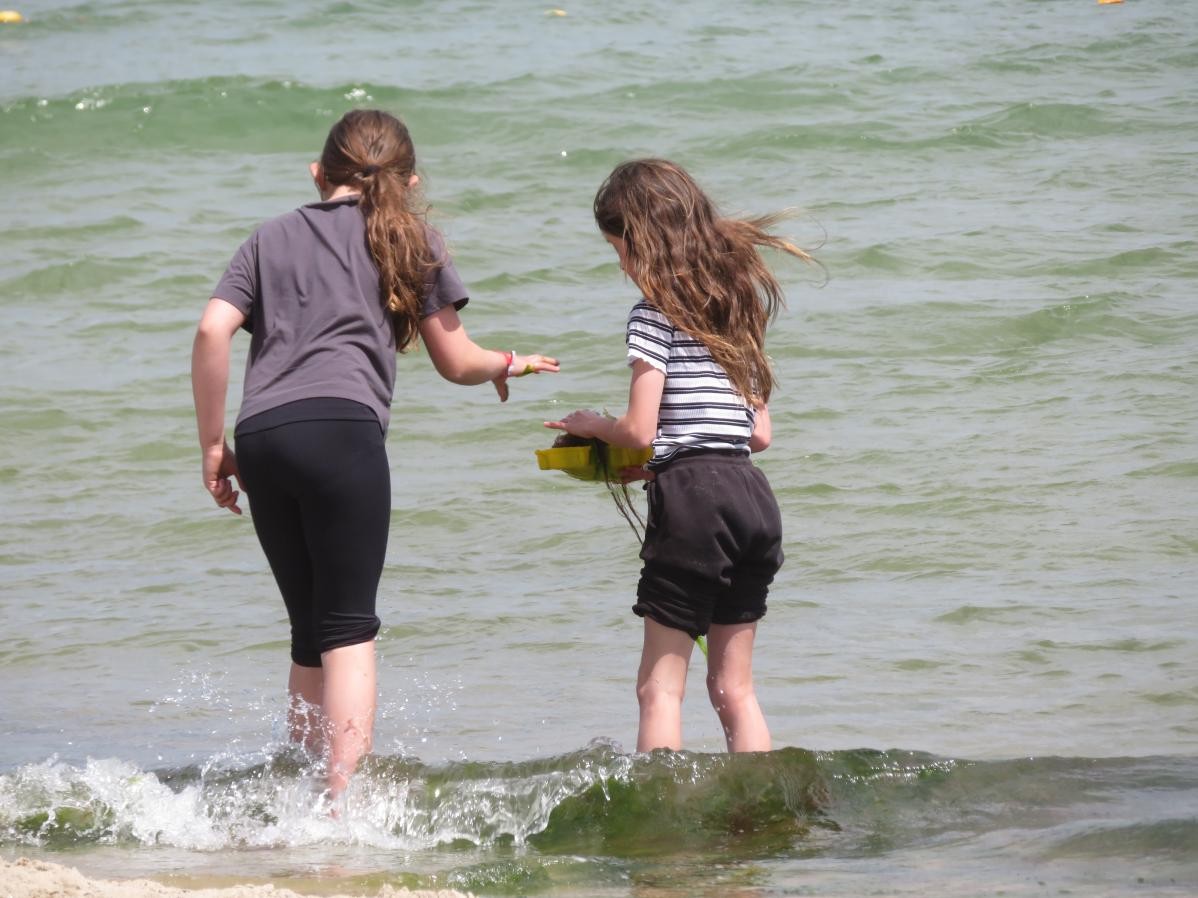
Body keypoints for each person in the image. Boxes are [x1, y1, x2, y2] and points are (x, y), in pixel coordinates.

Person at [191, 109, 558, 798]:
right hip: (342, 431)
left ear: (318, 172)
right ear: (409, 182)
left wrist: (214, 444)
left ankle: (296, 792)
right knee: (348, 627)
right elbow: (457, 361)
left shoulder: (268, 237)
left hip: (262, 435)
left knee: (308, 631)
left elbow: (213, 330)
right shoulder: (411, 239)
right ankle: (342, 805)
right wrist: (510, 362)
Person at [546, 159, 814, 754]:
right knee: (734, 689)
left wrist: (593, 427)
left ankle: (662, 811)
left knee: (658, 688)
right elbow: (757, 435)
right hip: (752, 499)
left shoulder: (651, 315)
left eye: (618, 249)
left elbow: (638, 429)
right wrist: (667, 459)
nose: (621, 264)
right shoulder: (738, 310)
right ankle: (759, 800)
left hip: (693, 504)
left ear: (643, 240)